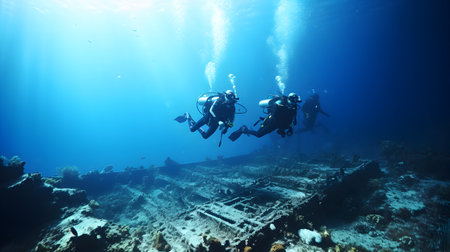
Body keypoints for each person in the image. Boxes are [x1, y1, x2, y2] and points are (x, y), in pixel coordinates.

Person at [229, 93, 301, 141]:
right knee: (258, 134)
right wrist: (282, 129)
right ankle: (243, 129)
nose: (294, 102)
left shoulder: (293, 108)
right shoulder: (279, 105)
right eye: (293, 99)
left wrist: (289, 129)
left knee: (259, 134)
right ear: (289, 98)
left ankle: (244, 130)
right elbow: (276, 117)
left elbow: (291, 120)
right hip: (270, 123)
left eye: (295, 100)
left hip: (277, 125)